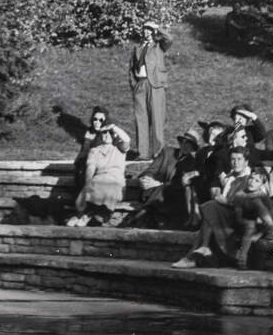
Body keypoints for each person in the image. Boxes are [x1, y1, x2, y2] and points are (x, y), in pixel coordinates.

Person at [172, 146, 260, 269]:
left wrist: (226, 201)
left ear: (246, 162)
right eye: (233, 159)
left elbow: (249, 203)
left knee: (211, 207)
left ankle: (195, 254)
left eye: (239, 159)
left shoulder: (252, 178)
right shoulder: (230, 177)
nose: (235, 162)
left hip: (241, 219)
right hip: (227, 215)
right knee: (211, 209)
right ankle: (199, 251)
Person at [130, 128, 203, 229]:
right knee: (159, 192)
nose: (186, 145)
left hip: (174, 193)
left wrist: (159, 184)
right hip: (153, 191)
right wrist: (147, 178)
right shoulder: (168, 152)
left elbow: (180, 183)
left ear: (193, 148)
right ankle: (147, 215)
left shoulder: (192, 161)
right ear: (180, 142)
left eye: (190, 144)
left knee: (164, 191)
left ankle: (144, 213)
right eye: (184, 142)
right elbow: (152, 169)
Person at [67, 121, 130, 226]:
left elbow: (127, 139)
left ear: (114, 135)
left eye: (109, 133)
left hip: (115, 180)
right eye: (104, 133)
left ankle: (88, 215)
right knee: (93, 185)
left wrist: (114, 127)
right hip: (99, 178)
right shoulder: (95, 150)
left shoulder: (119, 149)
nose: (106, 135)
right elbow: (90, 168)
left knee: (107, 186)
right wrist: (87, 182)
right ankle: (84, 215)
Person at [128, 19, 172, 159]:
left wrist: (158, 28)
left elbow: (169, 38)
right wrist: (134, 84)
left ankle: (158, 152)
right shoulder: (137, 48)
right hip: (140, 84)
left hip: (156, 85)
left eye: (149, 29)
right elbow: (131, 69)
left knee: (157, 119)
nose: (146, 32)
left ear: (153, 32)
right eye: (145, 29)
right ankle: (142, 153)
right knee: (141, 119)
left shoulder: (159, 46)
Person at [232, 167, 273, 269]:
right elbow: (238, 218)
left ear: (262, 184)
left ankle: (271, 229)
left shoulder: (263, 196)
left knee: (257, 202)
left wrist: (260, 223)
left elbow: (269, 213)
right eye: (251, 178)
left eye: (257, 181)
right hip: (243, 225)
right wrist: (252, 222)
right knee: (251, 223)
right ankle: (242, 261)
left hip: (260, 227)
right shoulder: (240, 195)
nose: (252, 182)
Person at [73, 105, 109, 193]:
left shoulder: (108, 133)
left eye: (101, 120)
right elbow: (84, 151)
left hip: (102, 163)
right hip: (87, 162)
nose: (97, 122)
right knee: (81, 170)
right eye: (95, 119)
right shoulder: (89, 132)